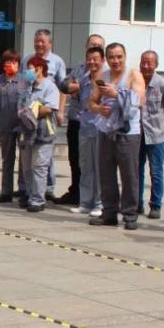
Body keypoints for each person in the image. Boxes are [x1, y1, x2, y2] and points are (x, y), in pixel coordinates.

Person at [88, 43, 146, 230]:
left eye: (119, 56)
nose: (116, 61)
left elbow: (139, 101)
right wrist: (99, 109)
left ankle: (130, 214)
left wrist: (117, 94)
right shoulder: (102, 76)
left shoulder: (134, 75)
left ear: (125, 56)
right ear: (106, 59)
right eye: (112, 57)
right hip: (106, 130)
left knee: (129, 174)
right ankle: (109, 212)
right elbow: (92, 102)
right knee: (106, 173)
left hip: (127, 133)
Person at [57, 34, 105, 205]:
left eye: (99, 45)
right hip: (77, 120)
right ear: (86, 46)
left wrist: (77, 87)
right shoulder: (79, 69)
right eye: (92, 44)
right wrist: (78, 86)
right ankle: (78, 194)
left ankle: (98, 200)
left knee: (96, 164)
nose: (95, 47)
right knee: (77, 161)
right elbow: (64, 85)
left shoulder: (106, 72)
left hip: (97, 124)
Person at [22, 29, 67, 201]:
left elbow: (63, 88)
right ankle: (28, 192)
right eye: (36, 41)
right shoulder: (27, 60)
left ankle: (46, 190)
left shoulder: (57, 62)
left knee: (43, 160)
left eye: (42, 41)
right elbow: (22, 88)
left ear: (50, 43)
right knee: (28, 163)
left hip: (45, 120)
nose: (39, 44)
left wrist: (60, 110)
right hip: (27, 124)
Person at [138, 50, 164, 220]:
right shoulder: (136, 81)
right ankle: (136, 203)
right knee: (136, 171)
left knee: (156, 172)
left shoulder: (163, 85)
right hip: (137, 134)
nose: (146, 66)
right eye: (143, 62)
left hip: (156, 136)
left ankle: (155, 205)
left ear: (156, 65)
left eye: (150, 63)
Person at [18, 56, 59, 212]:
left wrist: (31, 111)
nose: (27, 73)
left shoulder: (50, 87)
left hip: (43, 132)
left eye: (30, 69)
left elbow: (49, 108)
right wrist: (26, 111)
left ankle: (38, 200)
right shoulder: (27, 86)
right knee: (27, 168)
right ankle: (30, 196)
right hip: (27, 132)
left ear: (39, 68)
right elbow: (20, 105)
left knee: (39, 167)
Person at [68, 46, 105, 217]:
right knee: (85, 166)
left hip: (100, 129)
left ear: (102, 60)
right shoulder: (83, 80)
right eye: (89, 59)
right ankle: (85, 202)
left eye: (95, 59)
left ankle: (99, 203)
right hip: (84, 128)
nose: (92, 62)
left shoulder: (104, 80)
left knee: (99, 168)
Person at [0, 49, 25, 203]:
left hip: (23, 125)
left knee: (24, 159)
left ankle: (23, 189)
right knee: (7, 159)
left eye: (15, 61)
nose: (11, 64)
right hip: (5, 125)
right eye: (8, 61)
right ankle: (6, 191)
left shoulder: (24, 80)